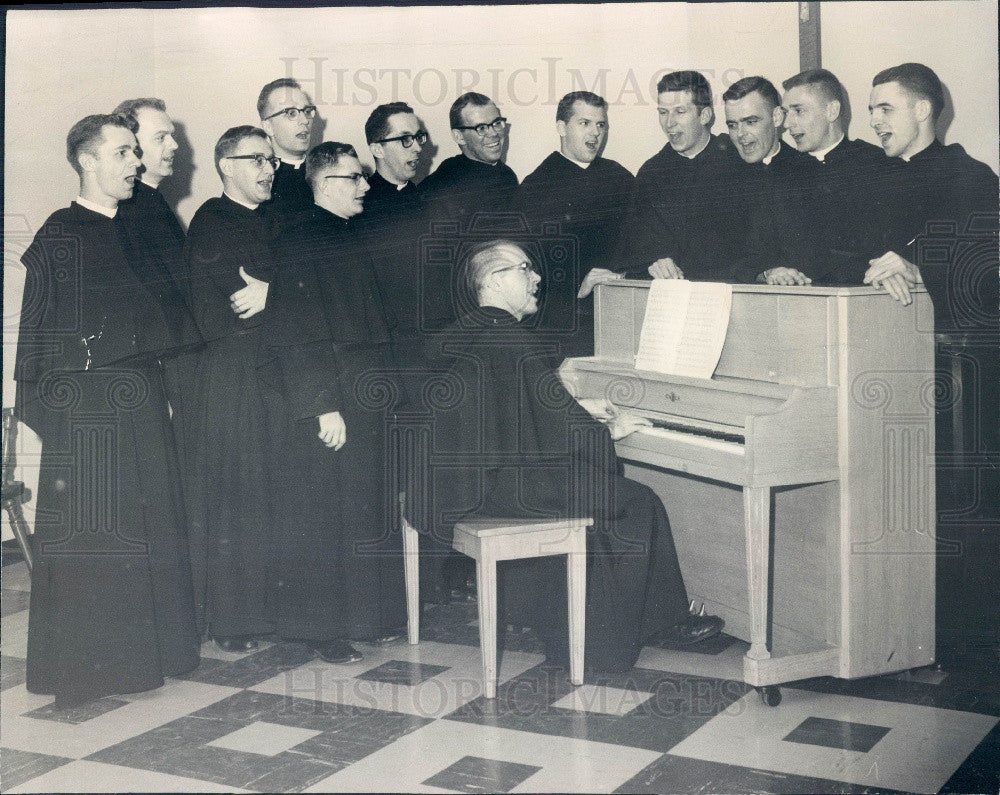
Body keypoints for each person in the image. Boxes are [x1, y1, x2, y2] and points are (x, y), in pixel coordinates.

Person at [426, 239, 725, 673]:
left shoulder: (470, 329)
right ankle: (633, 634)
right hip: (501, 487)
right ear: (493, 280)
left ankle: (587, 623)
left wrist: (578, 413)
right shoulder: (509, 337)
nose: (537, 278)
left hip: (461, 482)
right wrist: (609, 429)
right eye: (524, 269)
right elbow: (554, 422)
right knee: (637, 500)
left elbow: (518, 407)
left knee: (597, 489)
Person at [14, 114, 199, 705]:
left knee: (151, 523)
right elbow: (38, 340)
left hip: (140, 401)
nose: (136, 164)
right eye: (123, 153)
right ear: (87, 160)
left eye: (134, 154)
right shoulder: (60, 233)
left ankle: (157, 654)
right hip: (89, 413)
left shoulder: (136, 229)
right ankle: (94, 668)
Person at [862, 63, 999, 653]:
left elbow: (985, 272)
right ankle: (897, 624)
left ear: (923, 110)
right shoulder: (872, 180)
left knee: (956, 498)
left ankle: (961, 635)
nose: (875, 120)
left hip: (956, 373)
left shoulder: (972, 176)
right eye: (871, 110)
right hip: (882, 370)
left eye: (885, 108)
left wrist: (920, 268)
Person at [264, 142, 406, 664]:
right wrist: (323, 405)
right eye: (355, 178)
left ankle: (363, 618)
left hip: (363, 394)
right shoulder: (300, 241)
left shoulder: (349, 234)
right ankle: (321, 630)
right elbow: (296, 331)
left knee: (362, 509)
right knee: (324, 516)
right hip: (330, 399)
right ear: (325, 184)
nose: (366, 186)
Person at [182, 126, 278, 650]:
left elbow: (278, 292)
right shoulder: (213, 223)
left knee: (268, 492)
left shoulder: (270, 218)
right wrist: (277, 294)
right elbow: (243, 303)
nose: (268, 169)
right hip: (233, 376)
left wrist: (277, 292)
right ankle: (233, 619)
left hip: (268, 373)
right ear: (226, 166)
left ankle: (266, 610)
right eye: (256, 160)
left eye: (271, 161)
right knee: (239, 496)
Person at [113, 97, 203, 478]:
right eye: (162, 137)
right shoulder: (132, 210)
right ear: (132, 147)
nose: (175, 146)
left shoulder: (151, 203)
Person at [517, 91, 634, 356]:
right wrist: (578, 286)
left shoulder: (619, 177)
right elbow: (529, 266)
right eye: (584, 123)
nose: (595, 133)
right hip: (565, 325)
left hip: (620, 315)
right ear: (561, 127)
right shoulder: (536, 187)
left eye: (600, 125)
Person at [619, 70, 748, 282]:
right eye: (663, 112)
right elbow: (635, 246)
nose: (669, 123)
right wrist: (655, 261)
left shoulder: (739, 159)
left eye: (680, 111)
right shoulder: (651, 173)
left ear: (705, 116)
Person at [780, 68, 889, 284]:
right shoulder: (780, 173)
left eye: (798, 111)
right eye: (786, 112)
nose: (787, 124)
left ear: (832, 111)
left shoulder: (877, 165)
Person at [721, 76, 818, 285]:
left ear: (776, 117)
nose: (740, 135)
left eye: (751, 122)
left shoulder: (811, 172)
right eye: (732, 125)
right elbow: (712, 256)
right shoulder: (719, 179)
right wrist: (763, 272)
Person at [420, 92, 519, 234]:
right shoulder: (439, 188)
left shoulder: (507, 174)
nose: (493, 133)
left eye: (496, 123)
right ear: (459, 137)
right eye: (481, 128)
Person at [257, 77, 317, 213]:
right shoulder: (259, 183)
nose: (304, 121)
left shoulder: (326, 171)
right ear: (268, 126)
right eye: (291, 113)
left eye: (307, 111)